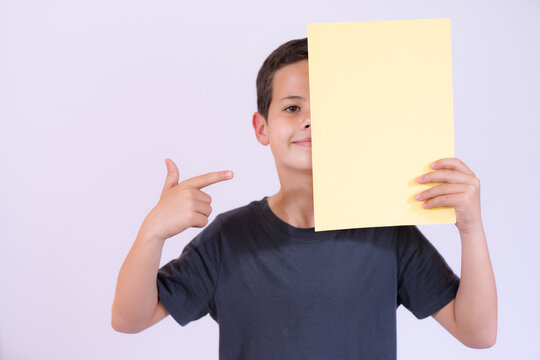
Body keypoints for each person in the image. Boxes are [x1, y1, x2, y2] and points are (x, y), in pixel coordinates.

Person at [111, 38, 497, 359]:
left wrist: (472, 228)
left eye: (327, 108)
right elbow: (130, 319)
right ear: (262, 128)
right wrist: (152, 233)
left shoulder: (387, 232)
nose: (310, 121)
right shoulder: (229, 237)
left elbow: (477, 333)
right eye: (292, 107)